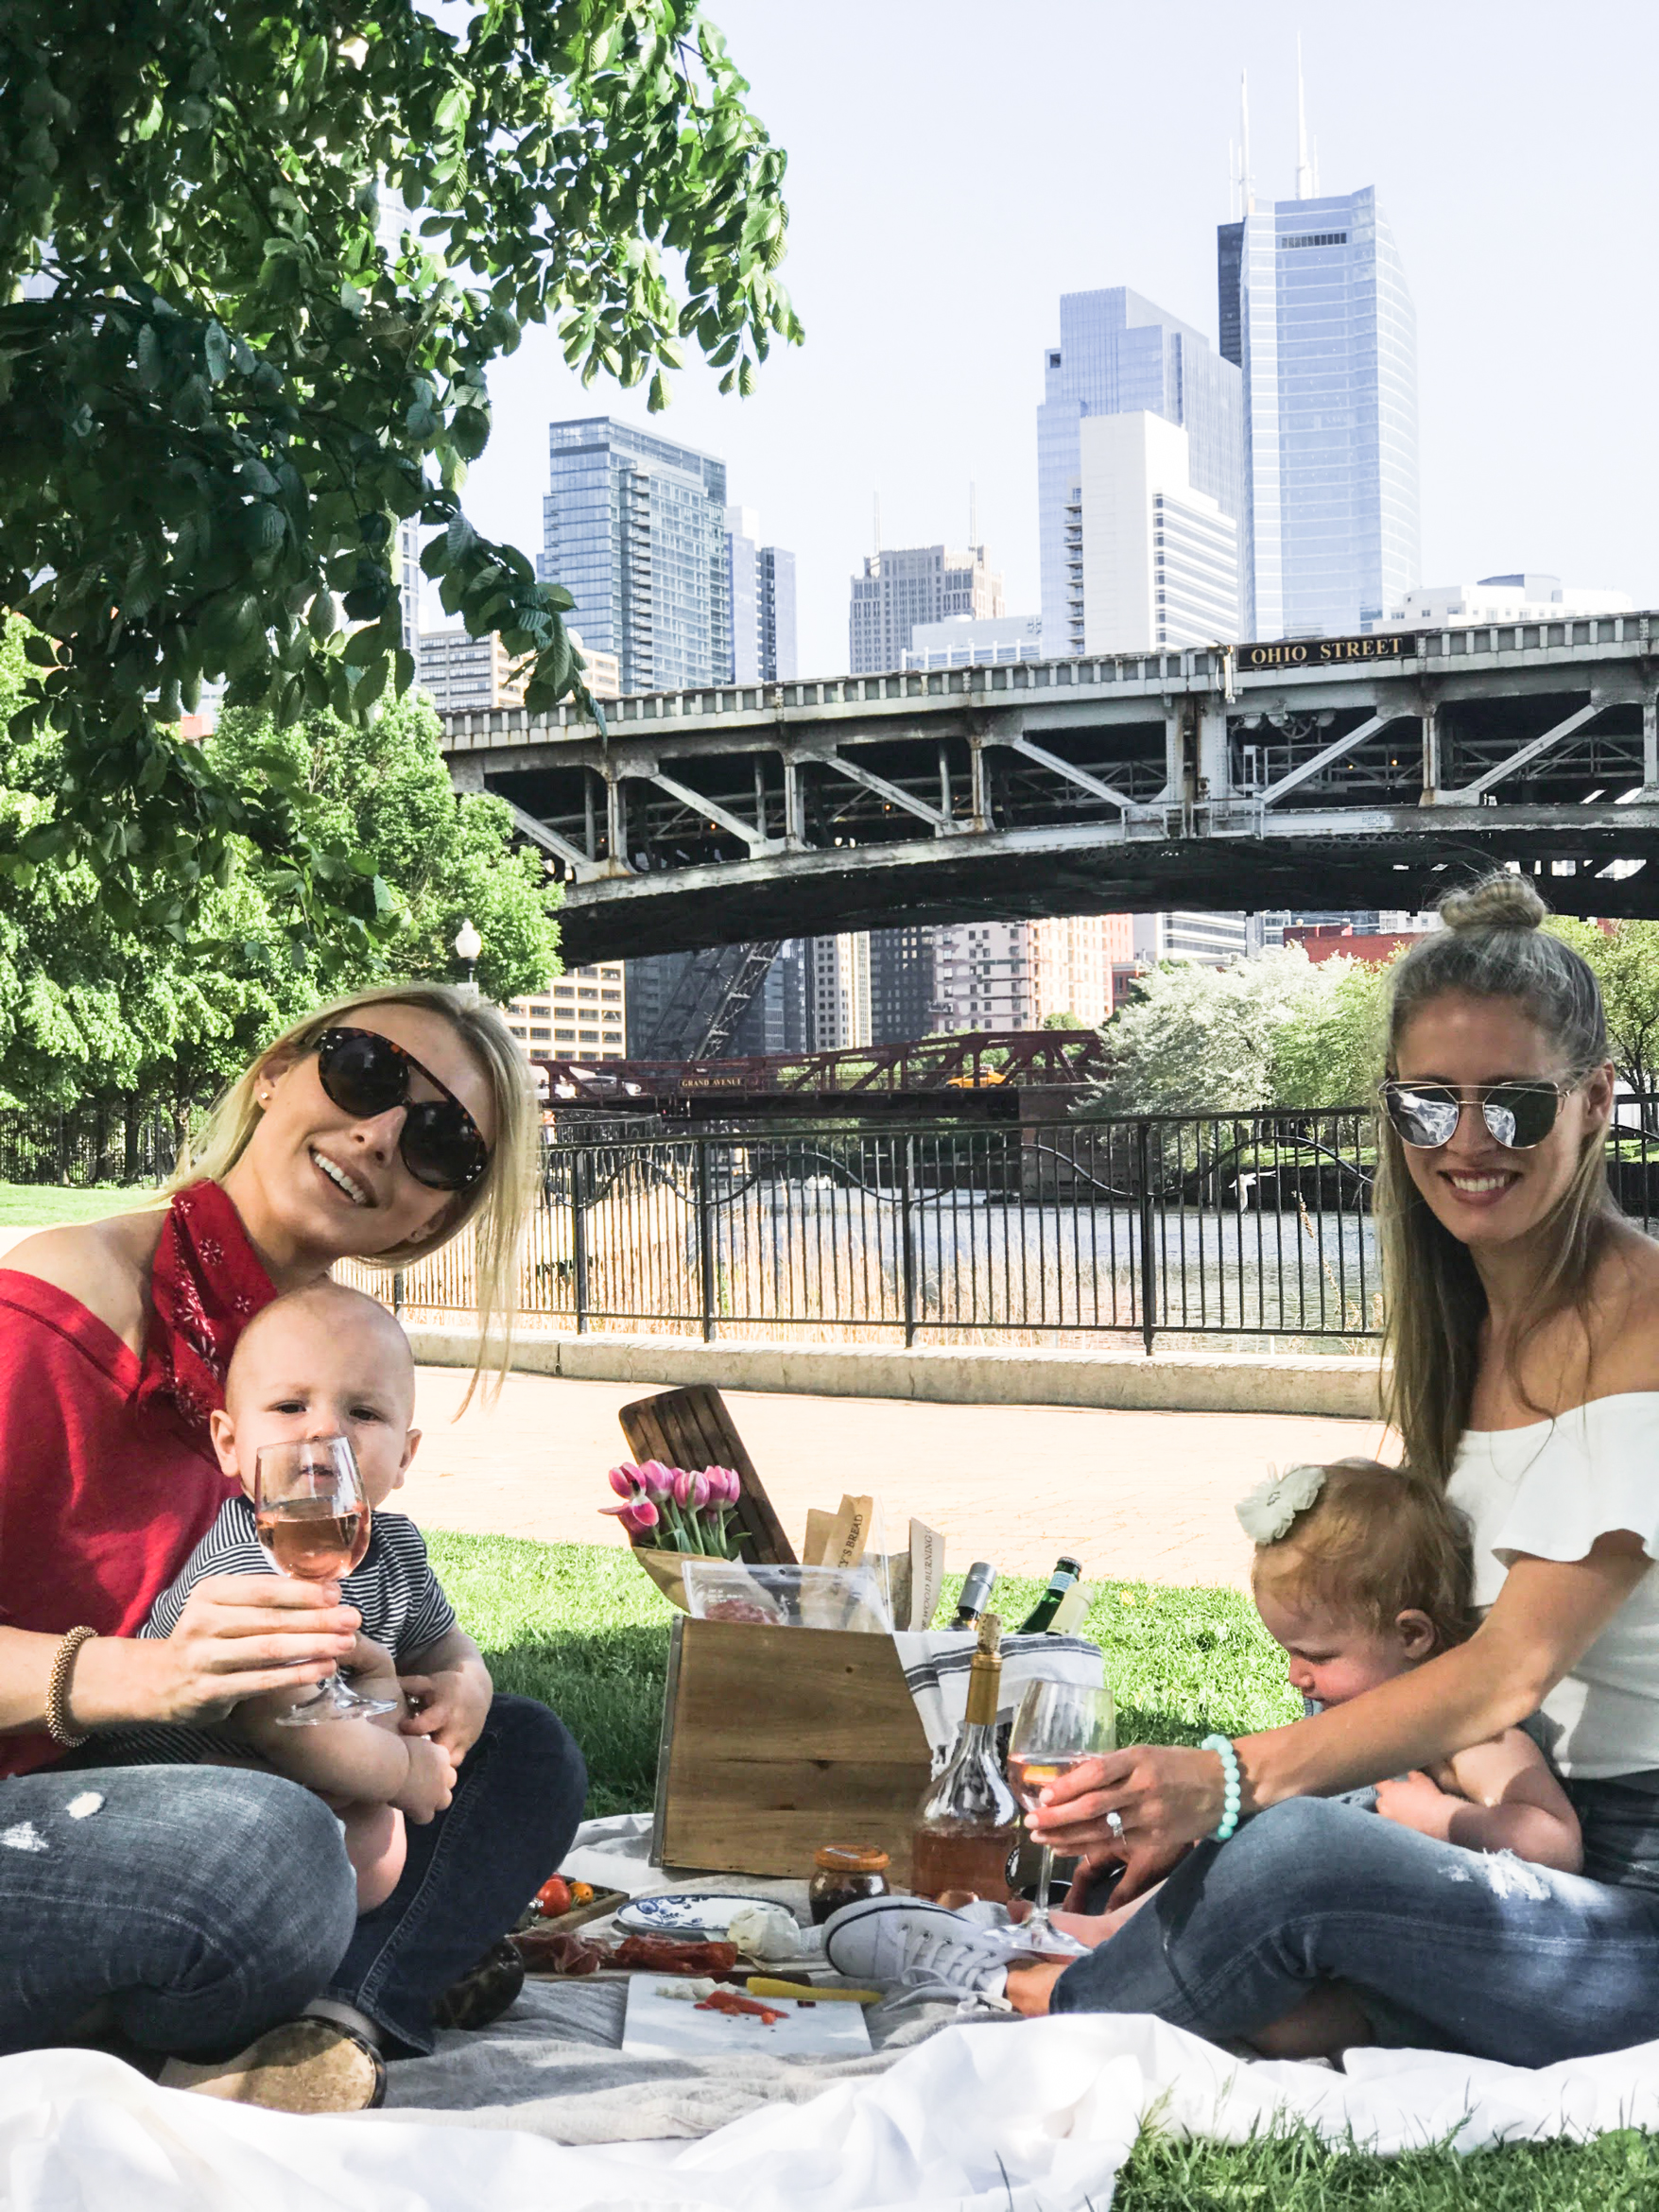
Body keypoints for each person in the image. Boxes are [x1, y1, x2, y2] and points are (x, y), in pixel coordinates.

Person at [826, 873, 1659, 2065]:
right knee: (1281, 1834)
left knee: (1292, 1850)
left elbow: (1500, 1678)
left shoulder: (1646, 1322)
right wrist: (1246, 1795)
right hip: (1495, 1828)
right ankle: (1206, 1984)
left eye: (1514, 1106)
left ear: (1593, 1104)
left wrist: (1230, 1782)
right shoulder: (1468, 1333)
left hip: (1619, 1897)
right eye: (1428, 1106)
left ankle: (1041, 2009)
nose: (1468, 1143)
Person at [0, 987, 586, 2109]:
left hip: (162, 1784)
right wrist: (140, 1672)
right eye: (364, 1072)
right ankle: (351, 1973)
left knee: (521, 1751)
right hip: (58, 1808)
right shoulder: (50, 1309)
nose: (378, 1134)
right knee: (268, 1853)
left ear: (429, 1219)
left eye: (440, 1140)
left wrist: (444, 1683)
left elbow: (362, 1629)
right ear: (277, 1072)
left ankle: (317, 2034)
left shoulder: (307, 1360)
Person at [100, 1279, 483, 1920]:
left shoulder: (393, 1549)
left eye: (363, 1413)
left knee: (524, 1749)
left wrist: (468, 1686)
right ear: (228, 1442)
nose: (323, 1431)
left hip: (311, 1779)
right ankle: (351, 1964)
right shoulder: (245, 1568)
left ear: (405, 1455)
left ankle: (372, 1958)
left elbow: (439, 1640)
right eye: (288, 1407)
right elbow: (287, 1723)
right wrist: (401, 1774)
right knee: (368, 1828)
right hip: (171, 1797)